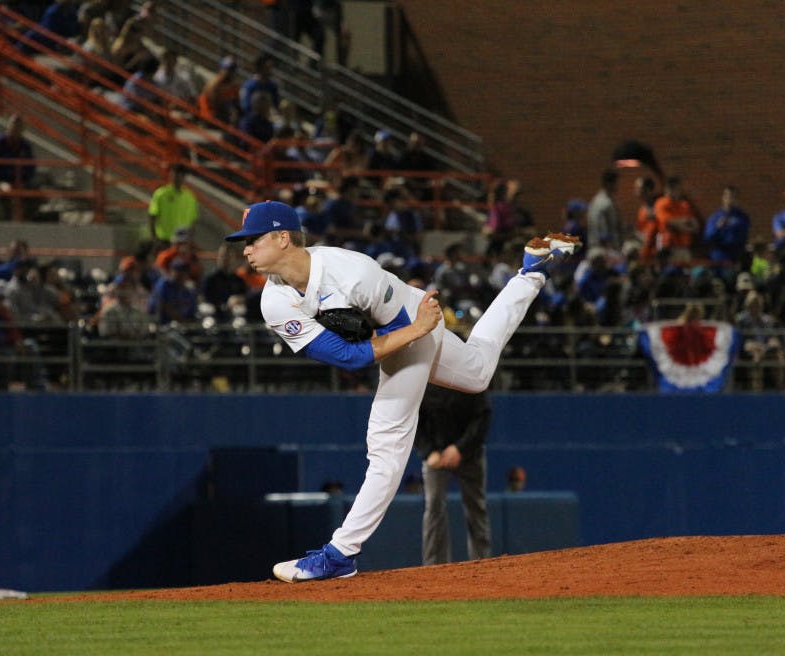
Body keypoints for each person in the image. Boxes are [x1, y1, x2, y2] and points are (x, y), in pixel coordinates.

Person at [224, 200, 579, 582]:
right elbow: (346, 356)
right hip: (413, 327)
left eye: (253, 239)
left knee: (386, 446)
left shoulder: (351, 272)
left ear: (282, 238)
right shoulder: (274, 301)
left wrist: (420, 329)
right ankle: (531, 273)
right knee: (476, 373)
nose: (245, 249)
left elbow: (390, 339)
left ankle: (341, 553)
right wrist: (412, 330)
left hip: (411, 320)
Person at [415, 384, 492, 564]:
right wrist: (428, 452)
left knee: (476, 507)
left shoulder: (471, 377)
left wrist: (460, 449)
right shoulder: (425, 381)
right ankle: (434, 568)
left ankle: (482, 565)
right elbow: (414, 421)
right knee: (433, 507)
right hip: (436, 454)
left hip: (470, 453)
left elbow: (482, 416)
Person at [147, 163, 198, 246]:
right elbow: (152, 215)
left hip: (182, 242)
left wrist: (190, 239)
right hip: (163, 240)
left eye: (180, 175)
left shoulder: (190, 197)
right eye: (175, 174)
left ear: (184, 177)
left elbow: (193, 220)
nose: (177, 178)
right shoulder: (161, 194)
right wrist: (154, 237)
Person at [702, 185, 750, 270]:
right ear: (723, 198)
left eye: (733, 197)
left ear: (737, 199)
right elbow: (707, 237)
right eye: (727, 196)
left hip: (736, 256)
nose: (730, 199)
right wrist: (717, 227)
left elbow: (743, 235)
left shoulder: (742, 217)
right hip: (719, 256)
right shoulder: (715, 217)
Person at [586, 168, 624, 254]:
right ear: (609, 184)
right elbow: (602, 229)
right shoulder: (605, 203)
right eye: (616, 183)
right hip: (605, 250)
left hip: (598, 248)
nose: (618, 186)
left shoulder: (597, 200)